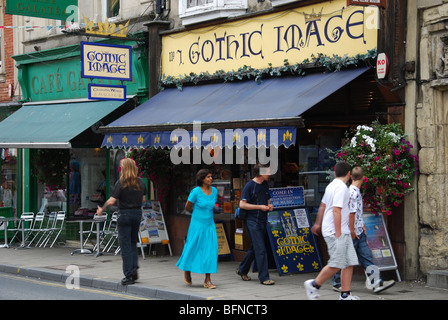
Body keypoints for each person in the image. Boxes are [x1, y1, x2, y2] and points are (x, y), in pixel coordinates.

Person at [332, 166, 395, 293]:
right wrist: (352, 231)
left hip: (358, 230)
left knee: (365, 256)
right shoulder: (354, 193)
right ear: (364, 178)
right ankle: (338, 282)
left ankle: (376, 282)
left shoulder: (352, 191)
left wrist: (362, 226)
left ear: (351, 176)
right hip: (354, 232)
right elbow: (351, 214)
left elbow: (356, 214)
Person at [305, 161, 360, 300]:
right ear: (349, 174)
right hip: (337, 231)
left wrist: (318, 223)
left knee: (348, 262)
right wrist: (338, 233)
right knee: (337, 263)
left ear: (335, 173)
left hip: (338, 230)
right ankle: (314, 284)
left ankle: (345, 294)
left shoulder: (331, 185)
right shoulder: (341, 188)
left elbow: (323, 206)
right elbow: (336, 210)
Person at [96, 158, 146, 286]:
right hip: (137, 214)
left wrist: (102, 208)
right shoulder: (140, 182)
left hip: (124, 214)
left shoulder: (121, 182)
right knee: (132, 242)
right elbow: (143, 200)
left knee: (125, 246)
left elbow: (112, 201)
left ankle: (128, 275)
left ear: (124, 168)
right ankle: (134, 270)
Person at [176, 169, 219, 289]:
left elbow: (213, 206)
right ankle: (187, 269)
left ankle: (208, 280)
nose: (210, 179)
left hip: (209, 225)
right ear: (202, 179)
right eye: (208, 177)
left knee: (210, 251)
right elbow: (188, 207)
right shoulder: (195, 191)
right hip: (197, 224)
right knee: (192, 247)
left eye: (211, 176)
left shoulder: (214, 191)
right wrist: (197, 215)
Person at [236, 163, 275, 285]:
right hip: (252, 221)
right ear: (261, 173)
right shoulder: (249, 186)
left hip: (263, 220)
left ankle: (242, 269)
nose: (269, 173)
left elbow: (267, 200)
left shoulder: (265, 185)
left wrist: (269, 206)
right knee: (261, 249)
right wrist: (259, 207)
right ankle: (264, 277)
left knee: (255, 248)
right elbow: (242, 204)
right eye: (267, 171)